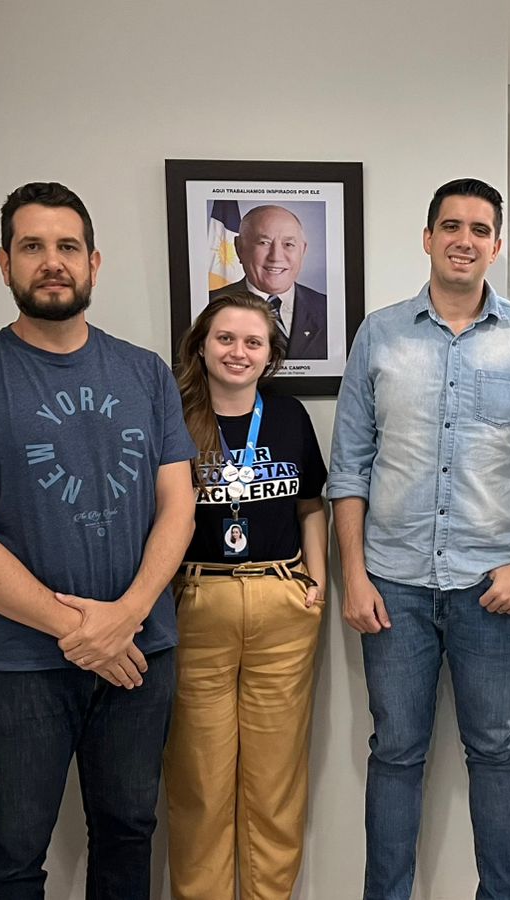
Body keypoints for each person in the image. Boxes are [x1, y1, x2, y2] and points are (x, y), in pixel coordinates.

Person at [0, 182, 196, 898]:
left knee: (129, 833)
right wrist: (80, 631)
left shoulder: (145, 373)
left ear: (94, 263)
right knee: (13, 849)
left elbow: (178, 507)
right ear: (4, 262)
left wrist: (125, 616)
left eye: (67, 246)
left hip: (140, 652)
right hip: (23, 664)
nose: (52, 262)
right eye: (33, 247)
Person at [329, 178, 510, 900]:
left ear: (496, 244)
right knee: (396, 753)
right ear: (429, 237)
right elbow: (350, 465)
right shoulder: (380, 333)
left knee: (495, 750)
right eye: (450, 226)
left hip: (490, 587)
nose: (464, 239)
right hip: (393, 586)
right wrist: (356, 575)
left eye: (478, 228)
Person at [164, 291, 330, 900]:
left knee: (274, 780)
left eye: (252, 342)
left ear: (270, 355)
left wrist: (315, 581)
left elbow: (313, 504)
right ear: (202, 347)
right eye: (226, 339)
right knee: (199, 780)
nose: (238, 352)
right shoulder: (174, 417)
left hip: (281, 600)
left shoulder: (288, 418)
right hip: (198, 600)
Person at [209, 205, 327, 360]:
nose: (276, 257)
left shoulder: (328, 308)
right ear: (239, 248)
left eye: (288, 245)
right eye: (264, 243)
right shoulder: (209, 306)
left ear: (303, 250)